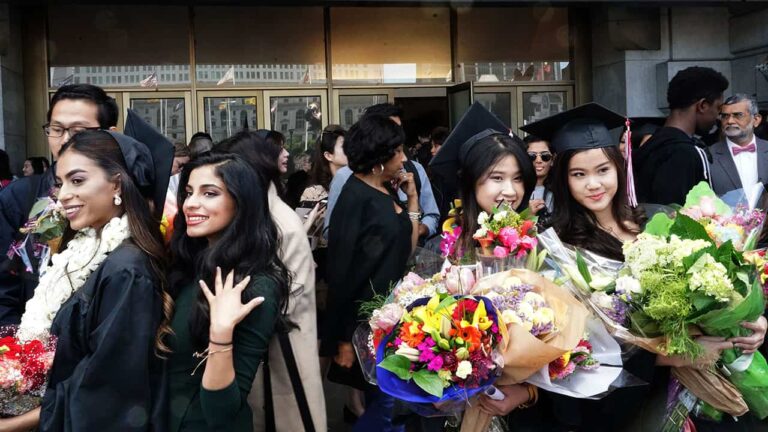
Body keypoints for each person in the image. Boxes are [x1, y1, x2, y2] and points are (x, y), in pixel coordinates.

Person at [521, 103, 768, 432]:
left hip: (702, 388)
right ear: (564, 180)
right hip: (631, 400)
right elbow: (578, 346)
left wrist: (750, 320)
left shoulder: (659, 219)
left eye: (603, 170)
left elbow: (724, 285)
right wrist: (670, 355)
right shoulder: (558, 248)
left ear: (620, 170)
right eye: (579, 174)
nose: (593, 184)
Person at [0, 129, 173, 431]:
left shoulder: (126, 268)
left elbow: (107, 387)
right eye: (60, 182)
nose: (63, 194)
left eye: (77, 180)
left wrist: (13, 425)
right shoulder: (82, 249)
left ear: (117, 183)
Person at [167, 153, 293, 431]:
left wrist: (221, 334)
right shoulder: (192, 263)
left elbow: (221, 413)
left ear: (242, 203)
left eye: (209, 193)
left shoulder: (254, 285)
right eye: (188, 192)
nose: (191, 203)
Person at [215, 132, 326, 431]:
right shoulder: (263, 210)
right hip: (277, 340)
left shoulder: (275, 220)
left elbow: (282, 295)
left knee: (286, 413)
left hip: (281, 344)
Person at [321, 114, 419, 431]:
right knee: (387, 409)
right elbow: (341, 274)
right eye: (399, 150)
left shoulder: (382, 189)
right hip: (365, 325)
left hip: (390, 319)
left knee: (391, 407)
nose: (404, 157)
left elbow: (407, 247)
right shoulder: (355, 198)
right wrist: (344, 340)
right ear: (380, 154)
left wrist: (413, 198)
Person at [0, 84, 118, 326]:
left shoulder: (123, 196)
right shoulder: (19, 197)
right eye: (57, 129)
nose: (65, 140)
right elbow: (4, 287)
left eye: (79, 130)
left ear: (110, 134)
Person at [325, 104, 440, 242]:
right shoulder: (347, 179)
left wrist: (417, 223)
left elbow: (431, 216)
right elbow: (331, 232)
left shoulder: (415, 170)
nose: (403, 158)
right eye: (391, 132)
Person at [633, 66, 729, 206]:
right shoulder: (684, 153)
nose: (718, 118)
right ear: (702, 106)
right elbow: (674, 218)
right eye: (718, 109)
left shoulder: (652, 143)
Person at [710, 94, 767, 200]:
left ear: (756, 120)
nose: (730, 121)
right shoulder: (709, 155)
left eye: (738, 115)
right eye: (725, 116)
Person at [524, 135, 555, 220]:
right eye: (532, 156)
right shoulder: (516, 192)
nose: (538, 160)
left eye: (545, 156)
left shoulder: (561, 190)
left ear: (552, 160)